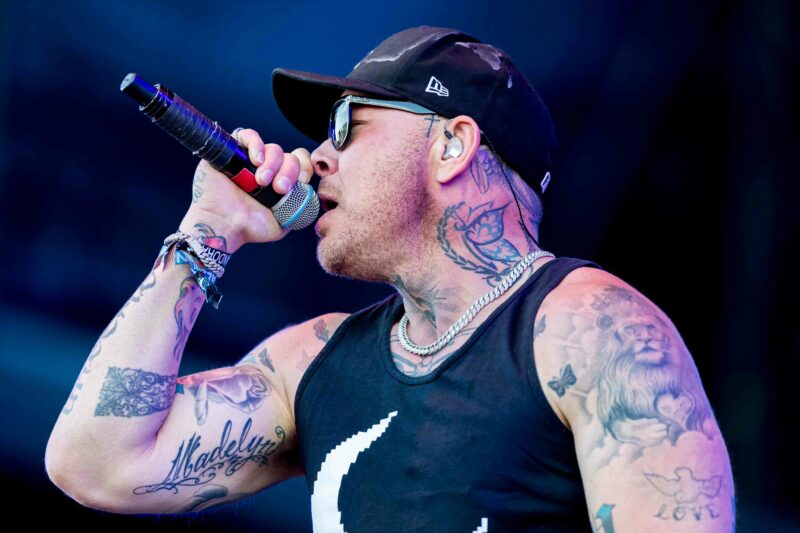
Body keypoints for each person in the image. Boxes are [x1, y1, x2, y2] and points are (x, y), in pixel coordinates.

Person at [45, 26, 735, 532]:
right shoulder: (313, 362)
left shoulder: (592, 330)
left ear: (452, 145)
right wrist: (208, 230)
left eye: (347, 125)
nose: (317, 158)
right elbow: (97, 464)